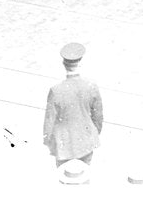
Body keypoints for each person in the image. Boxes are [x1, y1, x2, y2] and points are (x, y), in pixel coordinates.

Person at [43, 43, 104, 171]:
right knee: (83, 175)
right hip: (85, 143)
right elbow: (98, 118)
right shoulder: (91, 86)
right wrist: (91, 134)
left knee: (64, 176)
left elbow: (49, 122)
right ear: (80, 64)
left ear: (64, 64)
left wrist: (49, 143)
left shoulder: (56, 90)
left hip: (63, 146)